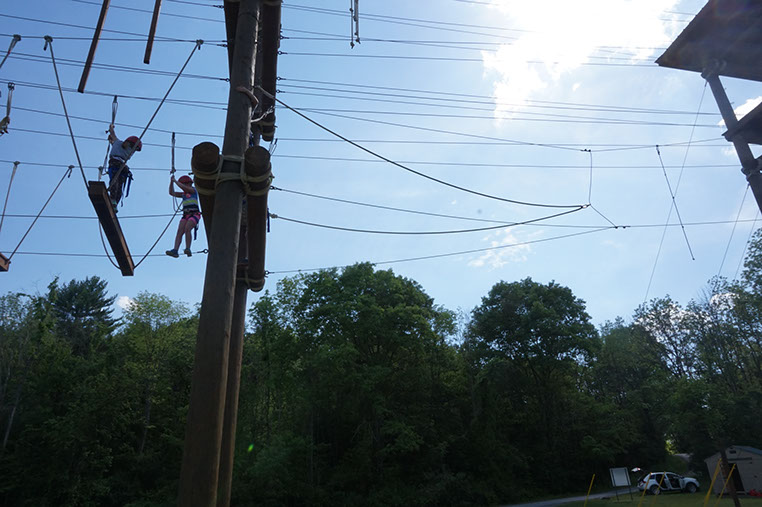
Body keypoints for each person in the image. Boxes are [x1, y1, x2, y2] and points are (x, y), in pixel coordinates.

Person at [107, 124, 141, 211]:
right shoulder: (128, 150)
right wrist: (111, 140)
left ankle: (113, 201)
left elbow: (113, 136)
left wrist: (111, 128)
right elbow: (116, 146)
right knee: (118, 184)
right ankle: (114, 202)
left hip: (116, 163)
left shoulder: (118, 143)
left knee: (116, 182)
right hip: (121, 166)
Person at [166, 174, 201, 258]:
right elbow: (171, 193)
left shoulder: (193, 190)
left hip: (194, 214)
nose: (183, 186)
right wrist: (171, 182)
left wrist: (175, 181)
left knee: (187, 228)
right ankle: (175, 250)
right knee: (180, 231)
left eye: (184, 184)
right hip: (186, 215)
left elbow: (184, 188)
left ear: (188, 184)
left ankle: (188, 248)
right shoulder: (183, 194)